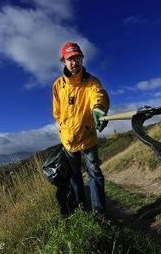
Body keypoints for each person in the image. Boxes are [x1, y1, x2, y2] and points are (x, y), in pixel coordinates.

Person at [52, 41, 110, 217]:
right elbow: (57, 112)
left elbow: (98, 96)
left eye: (77, 58)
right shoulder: (57, 86)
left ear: (82, 59)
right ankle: (82, 209)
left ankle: (99, 213)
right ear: (64, 61)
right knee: (75, 176)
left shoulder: (91, 82)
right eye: (70, 59)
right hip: (68, 141)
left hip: (87, 137)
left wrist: (99, 109)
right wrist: (62, 127)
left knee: (95, 174)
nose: (74, 62)